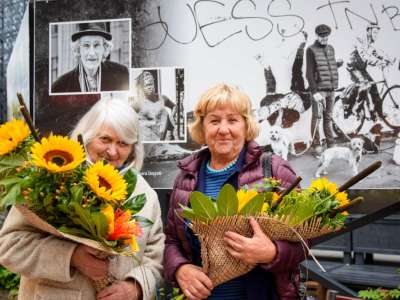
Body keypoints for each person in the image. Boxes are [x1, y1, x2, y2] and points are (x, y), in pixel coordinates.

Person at [0, 98, 165, 300]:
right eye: (105, 139)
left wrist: (134, 287)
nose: (113, 151)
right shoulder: (56, 179)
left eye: (123, 143)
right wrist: (71, 257)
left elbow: (155, 259)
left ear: (133, 148)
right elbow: (8, 246)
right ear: (86, 136)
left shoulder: (145, 196)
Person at [164, 83, 307, 300]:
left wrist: (272, 252)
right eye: (214, 120)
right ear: (202, 128)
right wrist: (180, 269)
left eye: (232, 120)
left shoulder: (274, 169)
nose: (223, 129)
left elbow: (305, 238)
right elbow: (172, 241)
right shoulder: (186, 177)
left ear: (246, 125)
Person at [51, 22, 129, 93]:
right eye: (86, 45)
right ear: (78, 50)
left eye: (97, 45)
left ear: (105, 48)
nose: (92, 53)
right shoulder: (60, 86)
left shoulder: (122, 75)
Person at [344, 22, 394, 121]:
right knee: (365, 85)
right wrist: (378, 63)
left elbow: (375, 53)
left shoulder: (370, 43)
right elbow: (364, 56)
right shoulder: (360, 40)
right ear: (368, 31)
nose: (376, 35)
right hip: (353, 68)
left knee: (374, 87)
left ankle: (379, 114)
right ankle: (354, 109)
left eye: (377, 33)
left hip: (361, 69)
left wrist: (386, 59)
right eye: (374, 32)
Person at [306, 24, 343, 154]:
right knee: (317, 117)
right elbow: (309, 73)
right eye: (322, 36)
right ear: (316, 35)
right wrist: (314, 92)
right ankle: (316, 145)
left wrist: (336, 64)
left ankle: (331, 142)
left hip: (331, 89)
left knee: (328, 117)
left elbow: (325, 68)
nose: (324, 38)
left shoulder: (331, 49)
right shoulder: (310, 50)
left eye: (326, 36)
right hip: (319, 89)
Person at [137, 71, 176, 141]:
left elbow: (174, 106)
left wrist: (171, 116)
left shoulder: (162, 98)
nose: (149, 87)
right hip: (147, 137)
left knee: (165, 113)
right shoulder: (139, 102)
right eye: (146, 85)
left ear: (154, 84)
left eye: (150, 84)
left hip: (161, 137)